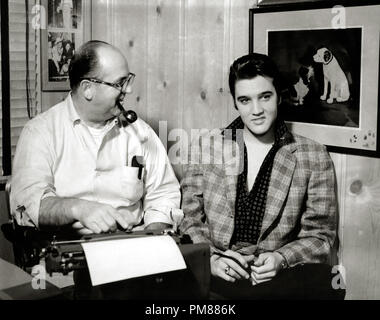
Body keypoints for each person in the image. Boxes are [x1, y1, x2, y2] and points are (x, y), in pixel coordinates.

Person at [180, 53, 345, 299]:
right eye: (245, 100)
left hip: (276, 280)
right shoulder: (207, 147)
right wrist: (211, 259)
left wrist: (282, 258)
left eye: (265, 97)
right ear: (235, 103)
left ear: (279, 96)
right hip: (219, 275)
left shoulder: (313, 155)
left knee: (332, 284)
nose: (256, 110)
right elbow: (189, 218)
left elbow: (320, 235)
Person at [10, 40, 183, 235]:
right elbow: (27, 205)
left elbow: (163, 193)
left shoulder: (140, 133)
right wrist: (78, 208)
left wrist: (152, 236)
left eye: (128, 80)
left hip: (131, 243)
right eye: (119, 83)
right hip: (66, 249)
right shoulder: (40, 132)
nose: (128, 90)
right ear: (87, 89)